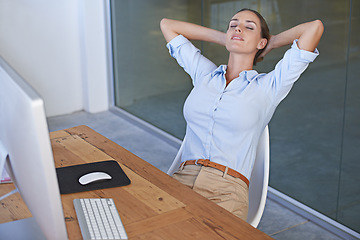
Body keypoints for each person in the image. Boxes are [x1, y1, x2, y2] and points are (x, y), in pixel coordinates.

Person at [160, 8, 324, 221]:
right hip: (181, 178)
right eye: (233, 25)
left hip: (225, 191)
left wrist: (271, 42)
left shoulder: (268, 87)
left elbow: (314, 28)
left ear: (261, 43)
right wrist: (227, 38)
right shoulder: (205, 74)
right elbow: (168, 25)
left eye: (249, 27)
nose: (238, 28)